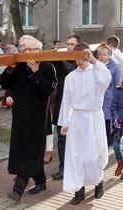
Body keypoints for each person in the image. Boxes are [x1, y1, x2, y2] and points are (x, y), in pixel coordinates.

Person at [0, 35, 57, 202]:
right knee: (27, 151)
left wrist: (36, 73)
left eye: (29, 48)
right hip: (20, 116)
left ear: (38, 50)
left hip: (38, 117)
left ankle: (18, 190)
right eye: (22, 47)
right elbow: (5, 84)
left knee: (29, 152)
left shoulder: (47, 66)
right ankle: (40, 181)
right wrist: (9, 69)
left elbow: (48, 90)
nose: (25, 51)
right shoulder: (17, 65)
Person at [58, 42, 111, 205]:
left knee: (92, 156)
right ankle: (78, 190)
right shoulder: (70, 77)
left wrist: (94, 60)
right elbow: (66, 100)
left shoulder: (97, 72)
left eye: (82, 57)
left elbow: (107, 77)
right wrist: (64, 122)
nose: (79, 61)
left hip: (94, 117)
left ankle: (98, 182)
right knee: (76, 156)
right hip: (77, 119)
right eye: (76, 58)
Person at [51, 34, 80, 180]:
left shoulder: (80, 62)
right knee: (61, 139)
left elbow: (73, 71)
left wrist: (62, 60)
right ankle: (63, 167)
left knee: (74, 139)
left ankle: (75, 167)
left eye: (72, 44)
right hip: (60, 104)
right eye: (67, 44)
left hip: (76, 108)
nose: (69, 47)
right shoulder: (61, 61)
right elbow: (52, 71)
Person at [97, 45, 121, 146]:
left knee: (107, 118)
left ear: (109, 56)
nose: (101, 56)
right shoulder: (96, 65)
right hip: (97, 95)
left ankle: (108, 139)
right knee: (98, 118)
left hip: (108, 96)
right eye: (100, 55)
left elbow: (117, 83)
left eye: (104, 54)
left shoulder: (114, 68)